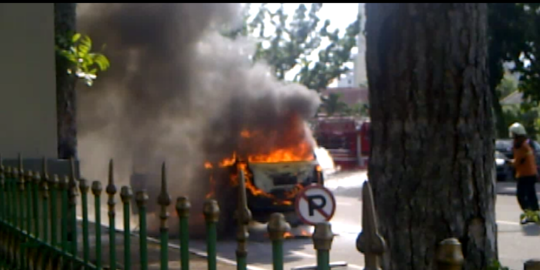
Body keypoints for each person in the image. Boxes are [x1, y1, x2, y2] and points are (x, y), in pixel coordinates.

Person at [507, 122, 540, 224]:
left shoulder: (522, 147)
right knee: (531, 196)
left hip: (525, 175)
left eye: (513, 135)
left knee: (521, 196)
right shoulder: (526, 144)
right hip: (531, 174)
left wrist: (509, 162)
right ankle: (536, 215)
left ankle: (529, 215)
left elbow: (516, 163)